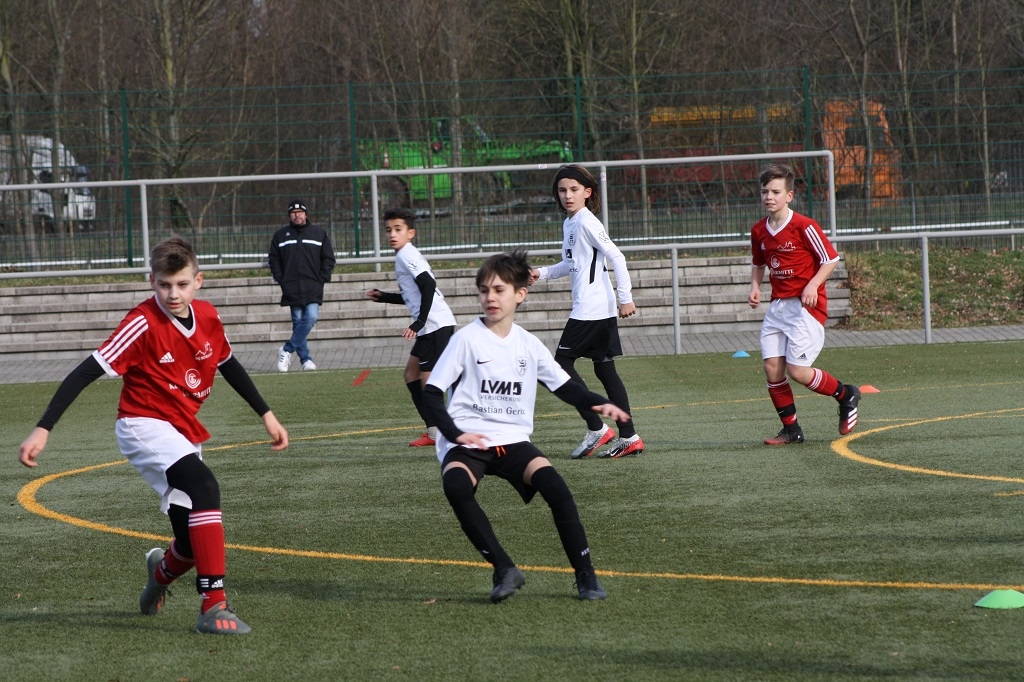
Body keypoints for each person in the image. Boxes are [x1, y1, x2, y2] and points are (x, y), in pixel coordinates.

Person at [17, 236, 289, 635]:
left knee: (192, 542)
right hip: (142, 424)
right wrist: (44, 427)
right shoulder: (142, 322)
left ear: (198, 281)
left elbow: (229, 363)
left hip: (182, 431)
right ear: (152, 281)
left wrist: (266, 414)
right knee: (205, 487)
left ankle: (159, 576)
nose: (173, 294)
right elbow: (86, 370)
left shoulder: (209, 317)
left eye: (181, 284)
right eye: (164, 285)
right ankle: (213, 606)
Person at [423, 248, 628, 602]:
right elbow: (430, 394)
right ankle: (504, 569)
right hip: (468, 441)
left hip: (512, 439)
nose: (490, 297)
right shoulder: (465, 340)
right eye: (484, 290)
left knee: (557, 490)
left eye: (499, 290)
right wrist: (456, 434)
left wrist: (597, 402)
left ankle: (586, 577)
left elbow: (564, 386)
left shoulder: (528, 345)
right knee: (456, 487)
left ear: (520, 294)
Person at [528, 164, 643, 459]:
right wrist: (541, 273)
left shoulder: (586, 222)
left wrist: (626, 298)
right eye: (562, 190)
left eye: (574, 190)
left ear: (587, 192)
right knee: (605, 369)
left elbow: (617, 257)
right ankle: (629, 437)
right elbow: (571, 264)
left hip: (591, 309)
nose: (568, 195)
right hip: (596, 309)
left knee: (559, 365)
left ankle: (597, 427)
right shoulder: (571, 223)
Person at [748, 162, 861, 445]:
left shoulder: (804, 226)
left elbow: (830, 258)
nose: (769, 197)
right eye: (765, 191)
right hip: (777, 308)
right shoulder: (759, 230)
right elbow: (759, 262)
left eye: (776, 191)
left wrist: (812, 284)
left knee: (797, 371)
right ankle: (791, 430)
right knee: (772, 369)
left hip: (805, 309)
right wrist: (755, 287)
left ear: (789, 196)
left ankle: (846, 394)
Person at [367, 207, 458, 447]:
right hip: (432, 325)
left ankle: (451, 431)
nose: (392, 234)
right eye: (388, 230)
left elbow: (428, 285)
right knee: (411, 374)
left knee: (431, 383)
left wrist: (419, 322)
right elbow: (414, 295)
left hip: (434, 325)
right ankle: (434, 431)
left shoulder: (406, 254)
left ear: (410, 233)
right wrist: (384, 297)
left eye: (398, 229)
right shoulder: (404, 255)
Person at [268, 200, 336, 372]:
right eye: (293, 212)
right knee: (298, 323)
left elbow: (328, 258)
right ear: (289, 216)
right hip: (291, 287)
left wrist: (322, 277)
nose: (297, 215)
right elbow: (274, 259)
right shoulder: (280, 236)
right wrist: (281, 279)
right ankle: (306, 360)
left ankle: (287, 349)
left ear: (306, 214)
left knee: (311, 317)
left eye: (300, 212)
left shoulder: (318, 233)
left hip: (313, 285)